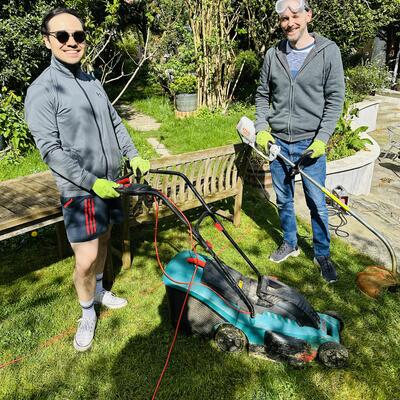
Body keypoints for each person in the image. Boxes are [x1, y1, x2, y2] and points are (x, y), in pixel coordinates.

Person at [25, 8, 150, 351]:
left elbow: (115, 122)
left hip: (112, 181)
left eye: (78, 35)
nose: (72, 42)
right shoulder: (42, 90)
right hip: (81, 190)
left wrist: (133, 154)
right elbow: (50, 151)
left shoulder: (91, 80)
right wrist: (90, 182)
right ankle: (86, 313)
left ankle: (98, 290)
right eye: (62, 36)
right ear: (47, 41)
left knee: (106, 238)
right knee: (84, 258)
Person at [254, 0, 345, 283]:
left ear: (308, 15)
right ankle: (290, 243)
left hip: (310, 144)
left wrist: (322, 139)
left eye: (294, 16)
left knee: (317, 201)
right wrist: (261, 128)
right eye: (284, 18)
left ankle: (322, 254)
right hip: (279, 142)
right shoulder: (274, 54)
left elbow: (335, 100)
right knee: (283, 199)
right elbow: (262, 95)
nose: (289, 23)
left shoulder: (328, 51)